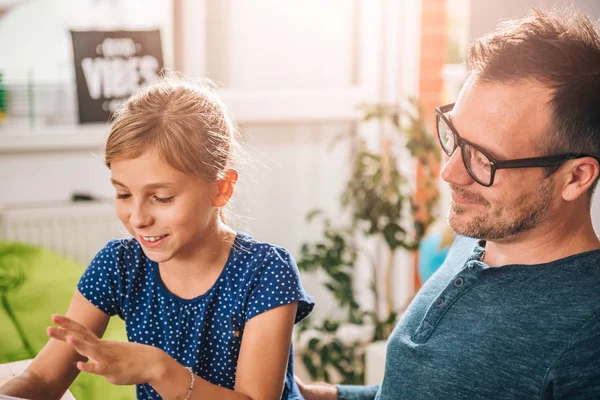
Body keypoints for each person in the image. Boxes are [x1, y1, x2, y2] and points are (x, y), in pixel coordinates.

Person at [296, 7, 600, 400]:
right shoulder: (481, 236)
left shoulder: (589, 336)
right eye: (454, 137)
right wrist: (326, 396)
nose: (450, 173)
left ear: (575, 177)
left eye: (484, 159)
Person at [0, 75, 314, 400]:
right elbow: (43, 377)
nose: (137, 218)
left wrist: (158, 369)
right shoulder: (120, 264)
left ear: (221, 189)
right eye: (123, 194)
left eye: (161, 198)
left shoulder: (265, 272)